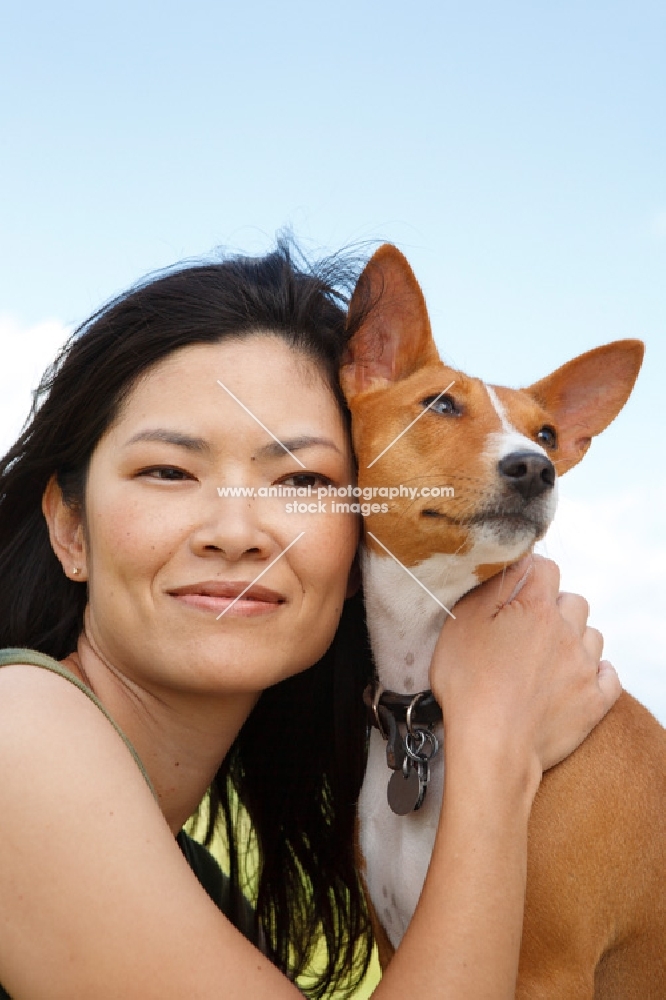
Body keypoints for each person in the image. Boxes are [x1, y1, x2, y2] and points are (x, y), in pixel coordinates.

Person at [0, 239, 620, 1000]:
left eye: (302, 480)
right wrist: (496, 744)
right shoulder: (16, 735)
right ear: (69, 529)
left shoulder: (191, 882)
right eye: (168, 470)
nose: (235, 531)